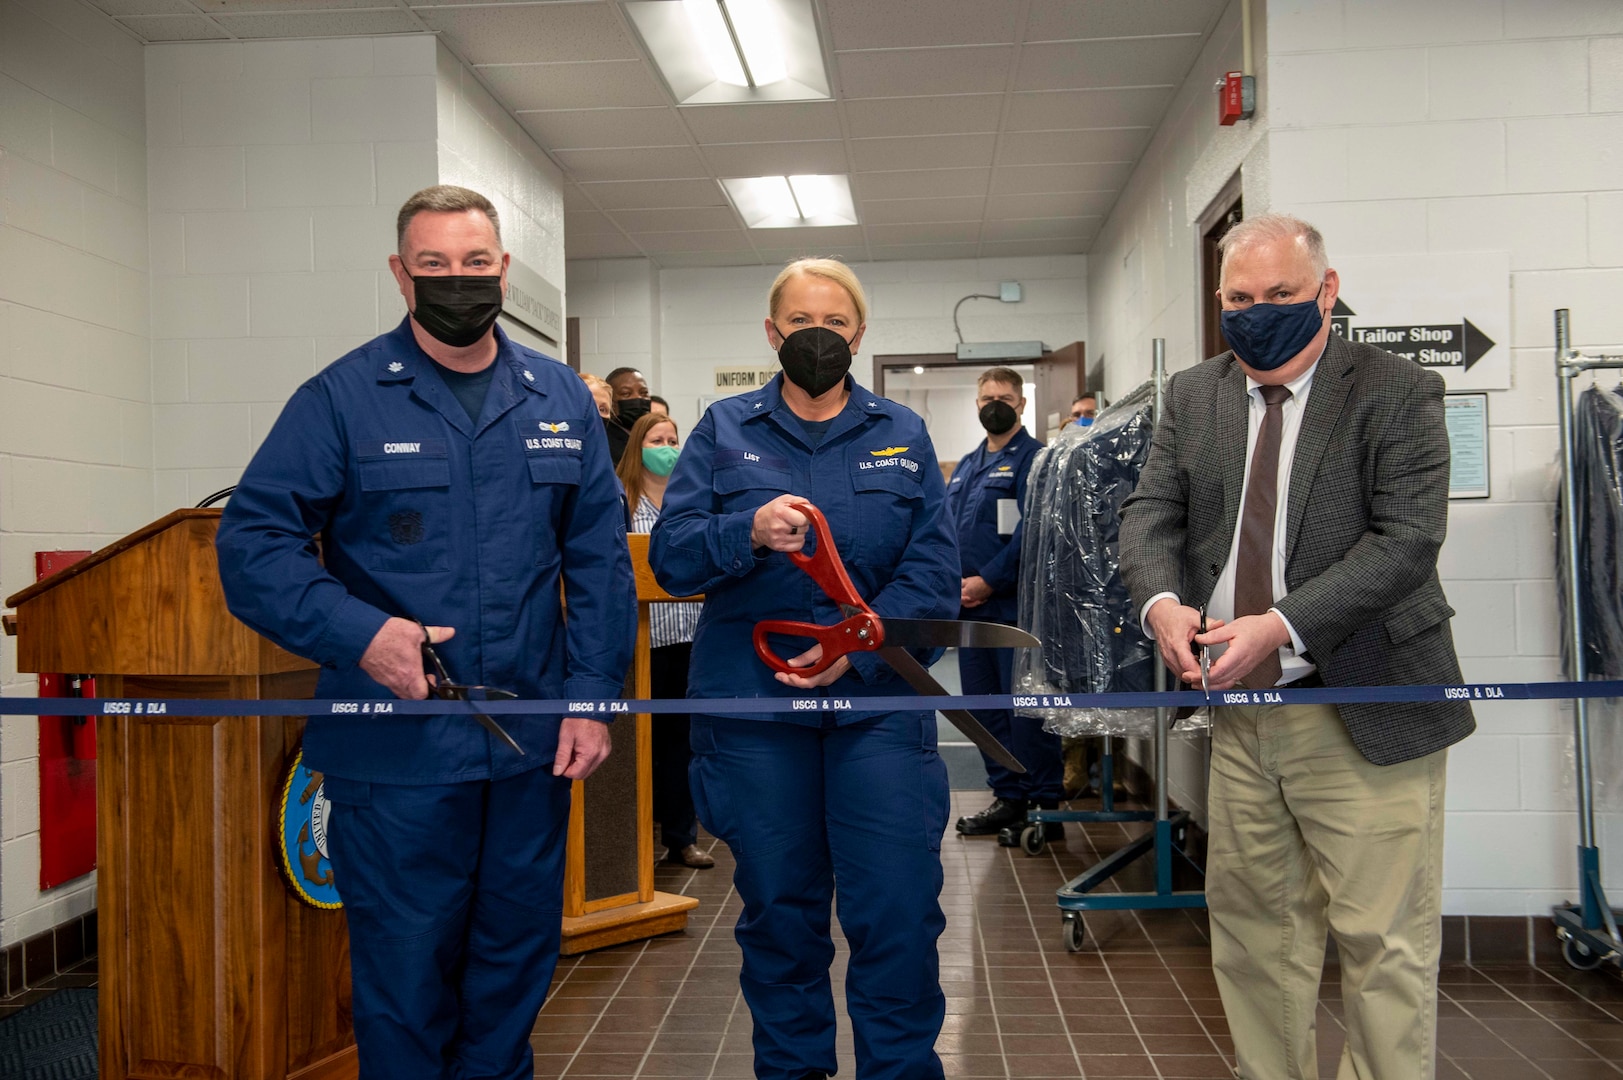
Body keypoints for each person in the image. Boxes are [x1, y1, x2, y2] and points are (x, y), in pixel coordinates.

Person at [215, 185, 636, 1080]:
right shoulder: (342, 397)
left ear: (504, 272)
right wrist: (361, 633)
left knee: (513, 969)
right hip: (394, 753)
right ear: (401, 274)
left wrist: (594, 702)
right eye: (435, 266)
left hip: (528, 744)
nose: (457, 281)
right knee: (405, 982)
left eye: (474, 264)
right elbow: (251, 543)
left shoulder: (557, 395)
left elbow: (599, 563)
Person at [1118, 212, 1474, 1080]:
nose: (1257, 310)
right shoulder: (1196, 394)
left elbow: (1404, 540)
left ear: (1326, 290)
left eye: (1279, 293)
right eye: (1239, 297)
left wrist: (1279, 625)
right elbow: (1150, 514)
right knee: (1251, 933)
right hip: (1240, 715)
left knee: (1381, 944)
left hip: (1363, 702)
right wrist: (1162, 602)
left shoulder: (1396, 389)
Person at [650, 258, 959, 1080]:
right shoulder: (723, 430)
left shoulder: (901, 433)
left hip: (878, 710)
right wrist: (744, 529)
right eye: (797, 323)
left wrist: (850, 653)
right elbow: (672, 560)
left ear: (858, 335)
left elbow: (931, 576)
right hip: (754, 715)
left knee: (894, 910)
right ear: (770, 333)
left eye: (833, 322)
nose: (815, 336)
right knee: (779, 915)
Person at [946, 367, 1064, 843]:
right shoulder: (971, 463)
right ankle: (1009, 797)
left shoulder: (1034, 460)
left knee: (1025, 710)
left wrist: (988, 581)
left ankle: (1043, 805)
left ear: (1021, 405)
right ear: (976, 405)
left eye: (1005, 397)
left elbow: (1033, 533)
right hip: (969, 613)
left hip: (1013, 610)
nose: (994, 403)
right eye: (986, 397)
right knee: (983, 710)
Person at [614, 411, 713, 870]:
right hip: (641, 644)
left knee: (682, 743)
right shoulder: (623, 499)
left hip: (690, 636)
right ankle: (631, 843)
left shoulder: (691, 497)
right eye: (658, 438)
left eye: (673, 438)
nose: (668, 446)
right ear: (638, 446)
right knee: (636, 743)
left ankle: (681, 837)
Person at [602, 366, 652, 464]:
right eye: (626, 393)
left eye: (644, 393)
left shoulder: (651, 437)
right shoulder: (604, 442)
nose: (638, 398)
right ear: (610, 400)